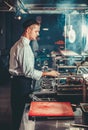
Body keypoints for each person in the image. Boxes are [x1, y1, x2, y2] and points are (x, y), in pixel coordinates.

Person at [9, 19, 60, 130]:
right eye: (36, 31)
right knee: (20, 116)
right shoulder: (24, 47)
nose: (38, 34)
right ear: (28, 30)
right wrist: (48, 73)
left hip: (18, 83)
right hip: (21, 84)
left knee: (18, 115)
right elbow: (28, 72)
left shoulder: (20, 44)